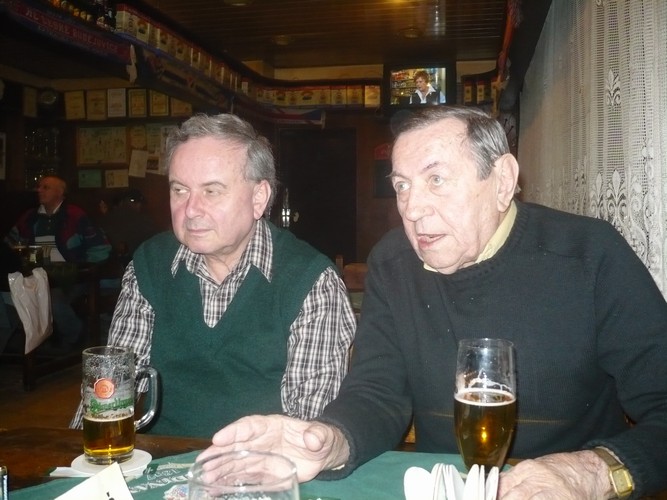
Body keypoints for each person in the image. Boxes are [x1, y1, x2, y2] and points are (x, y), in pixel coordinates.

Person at [199, 106, 667, 499]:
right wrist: (331, 440)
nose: (412, 208)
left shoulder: (589, 255)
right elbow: (379, 392)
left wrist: (592, 472)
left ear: (502, 181)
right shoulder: (393, 262)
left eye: (436, 179)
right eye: (402, 185)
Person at [70, 113, 356, 438]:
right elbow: (110, 394)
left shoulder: (311, 281)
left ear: (258, 198)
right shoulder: (151, 265)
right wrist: (75, 454)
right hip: (162, 457)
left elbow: (304, 430)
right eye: (180, 190)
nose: (191, 209)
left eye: (212, 191)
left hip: (261, 460)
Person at [4, 175, 111, 349]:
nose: (39, 190)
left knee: (51, 299)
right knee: (13, 296)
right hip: (38, 275)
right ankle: (33, 343)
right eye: (39, 187)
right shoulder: (30, 217)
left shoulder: (75, 215)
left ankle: (73, 337)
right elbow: (10, 243)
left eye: (45, 187)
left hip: (72, 276)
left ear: (60, 192)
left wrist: (82, 269)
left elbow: (101, 248)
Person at [99, 188, 159, 266]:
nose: (139, 206)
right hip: (138, 262)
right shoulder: (144, 220)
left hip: (119, 263)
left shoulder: (109, 219)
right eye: (138, 203)